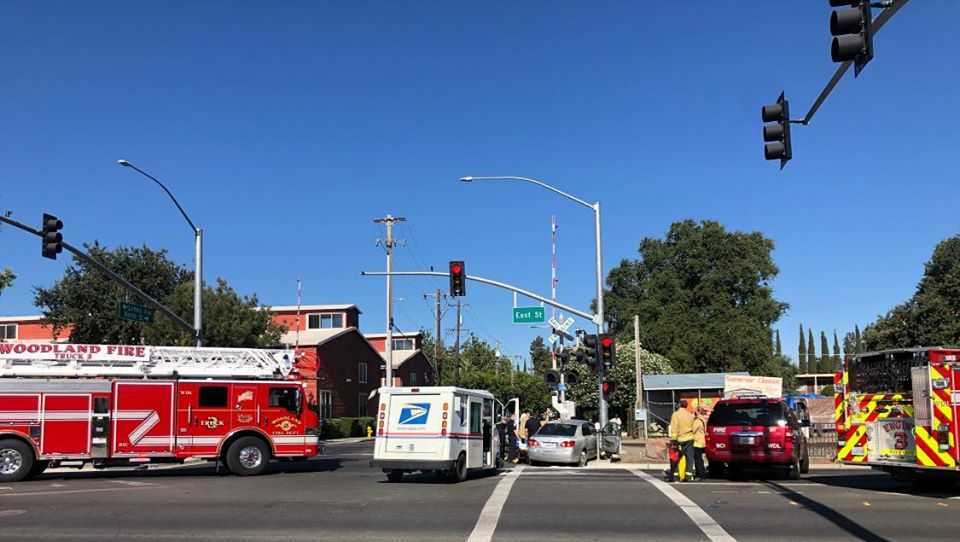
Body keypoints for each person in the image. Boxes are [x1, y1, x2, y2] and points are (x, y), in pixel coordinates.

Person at [668, 399, 696, 482]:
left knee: (676, 458)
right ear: (686, 406)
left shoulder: (676, 415)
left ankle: (676, 476)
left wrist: (673, 440)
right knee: (689, 458)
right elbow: (694, 427)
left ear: (679, 405)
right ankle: (688, 476)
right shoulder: (690, 415)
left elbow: (674, 427)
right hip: (690, 439)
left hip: (679, 440)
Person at [692, 406, 708, 479]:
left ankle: (700, 474)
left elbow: (693, 430)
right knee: (700, 459)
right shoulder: (703, 419)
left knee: (697, 459)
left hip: (697, 442)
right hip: (702, 441)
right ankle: (702, 473)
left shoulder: (697, 421)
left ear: (698, 411)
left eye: (695, 411)